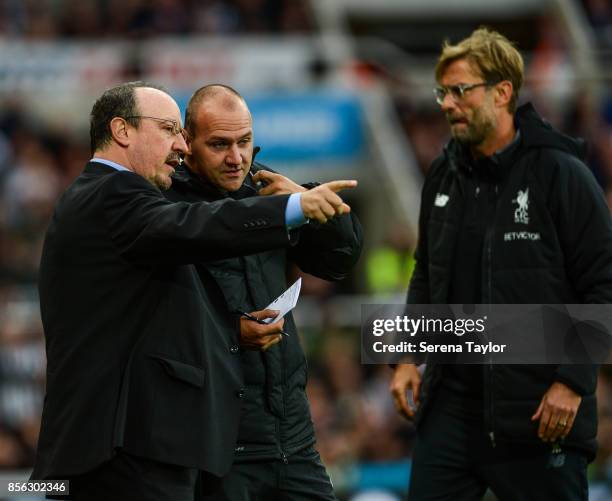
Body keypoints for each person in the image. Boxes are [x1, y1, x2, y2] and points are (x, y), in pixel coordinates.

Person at [31, 81, 357, 501]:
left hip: (128, 448)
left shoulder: (111, 201)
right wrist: (293, 208)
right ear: (122, 130)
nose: (180, 146)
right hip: (120, 451)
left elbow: (157, 318)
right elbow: (193, 226)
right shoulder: (115, 194)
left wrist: (230, 331)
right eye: (169, 129)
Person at [389, 28, 612, 500]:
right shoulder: (441, 174)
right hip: (450, 410)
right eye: (442, 92)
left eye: (460, 91)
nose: (447, 104)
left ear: (503, 92)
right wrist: (408, 355)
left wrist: (572, 382)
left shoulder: (561, 173)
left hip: (538, 410)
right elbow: (427, 273)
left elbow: (604, 284)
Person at [163, 83, 363, 500]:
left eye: (244, 142)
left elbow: (339, 262)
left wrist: (306, 203)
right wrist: (230, 334)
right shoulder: (166, 210)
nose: (236, 158)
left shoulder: (270, 190)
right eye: (219, 144)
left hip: (292, 438)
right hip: (219, 448)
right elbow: (158, 318)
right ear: (187, 142)